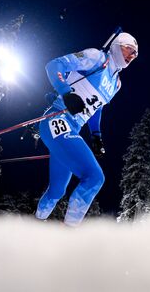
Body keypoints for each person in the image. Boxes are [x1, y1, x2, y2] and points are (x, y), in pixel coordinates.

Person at [35, 32, 139, 226]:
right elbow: (54, 65)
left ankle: (34, 227)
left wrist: (96, 135)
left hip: (72, 129)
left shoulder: (117, 84)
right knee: (94, 177)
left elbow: (97, 107)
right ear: (116, 45)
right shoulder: (97, 58)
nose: (131, 56)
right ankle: (70, 233)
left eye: (134, 55)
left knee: (57, 191)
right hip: (56, 118)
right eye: (128, 49)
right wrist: (66, 93)